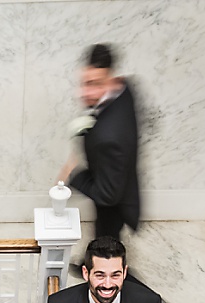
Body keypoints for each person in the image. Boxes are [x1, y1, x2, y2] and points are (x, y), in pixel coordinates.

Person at [59, 43, 141, 242]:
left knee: (107, 239)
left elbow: (107, 196)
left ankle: (111, 271)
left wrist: (73, 175)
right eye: (85, 82)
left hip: (116, 200)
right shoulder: (123, 88)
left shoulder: (108, 138)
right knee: (103, 235)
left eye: (95, 84)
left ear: (109, 80)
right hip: (116, 174)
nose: (85, 93)